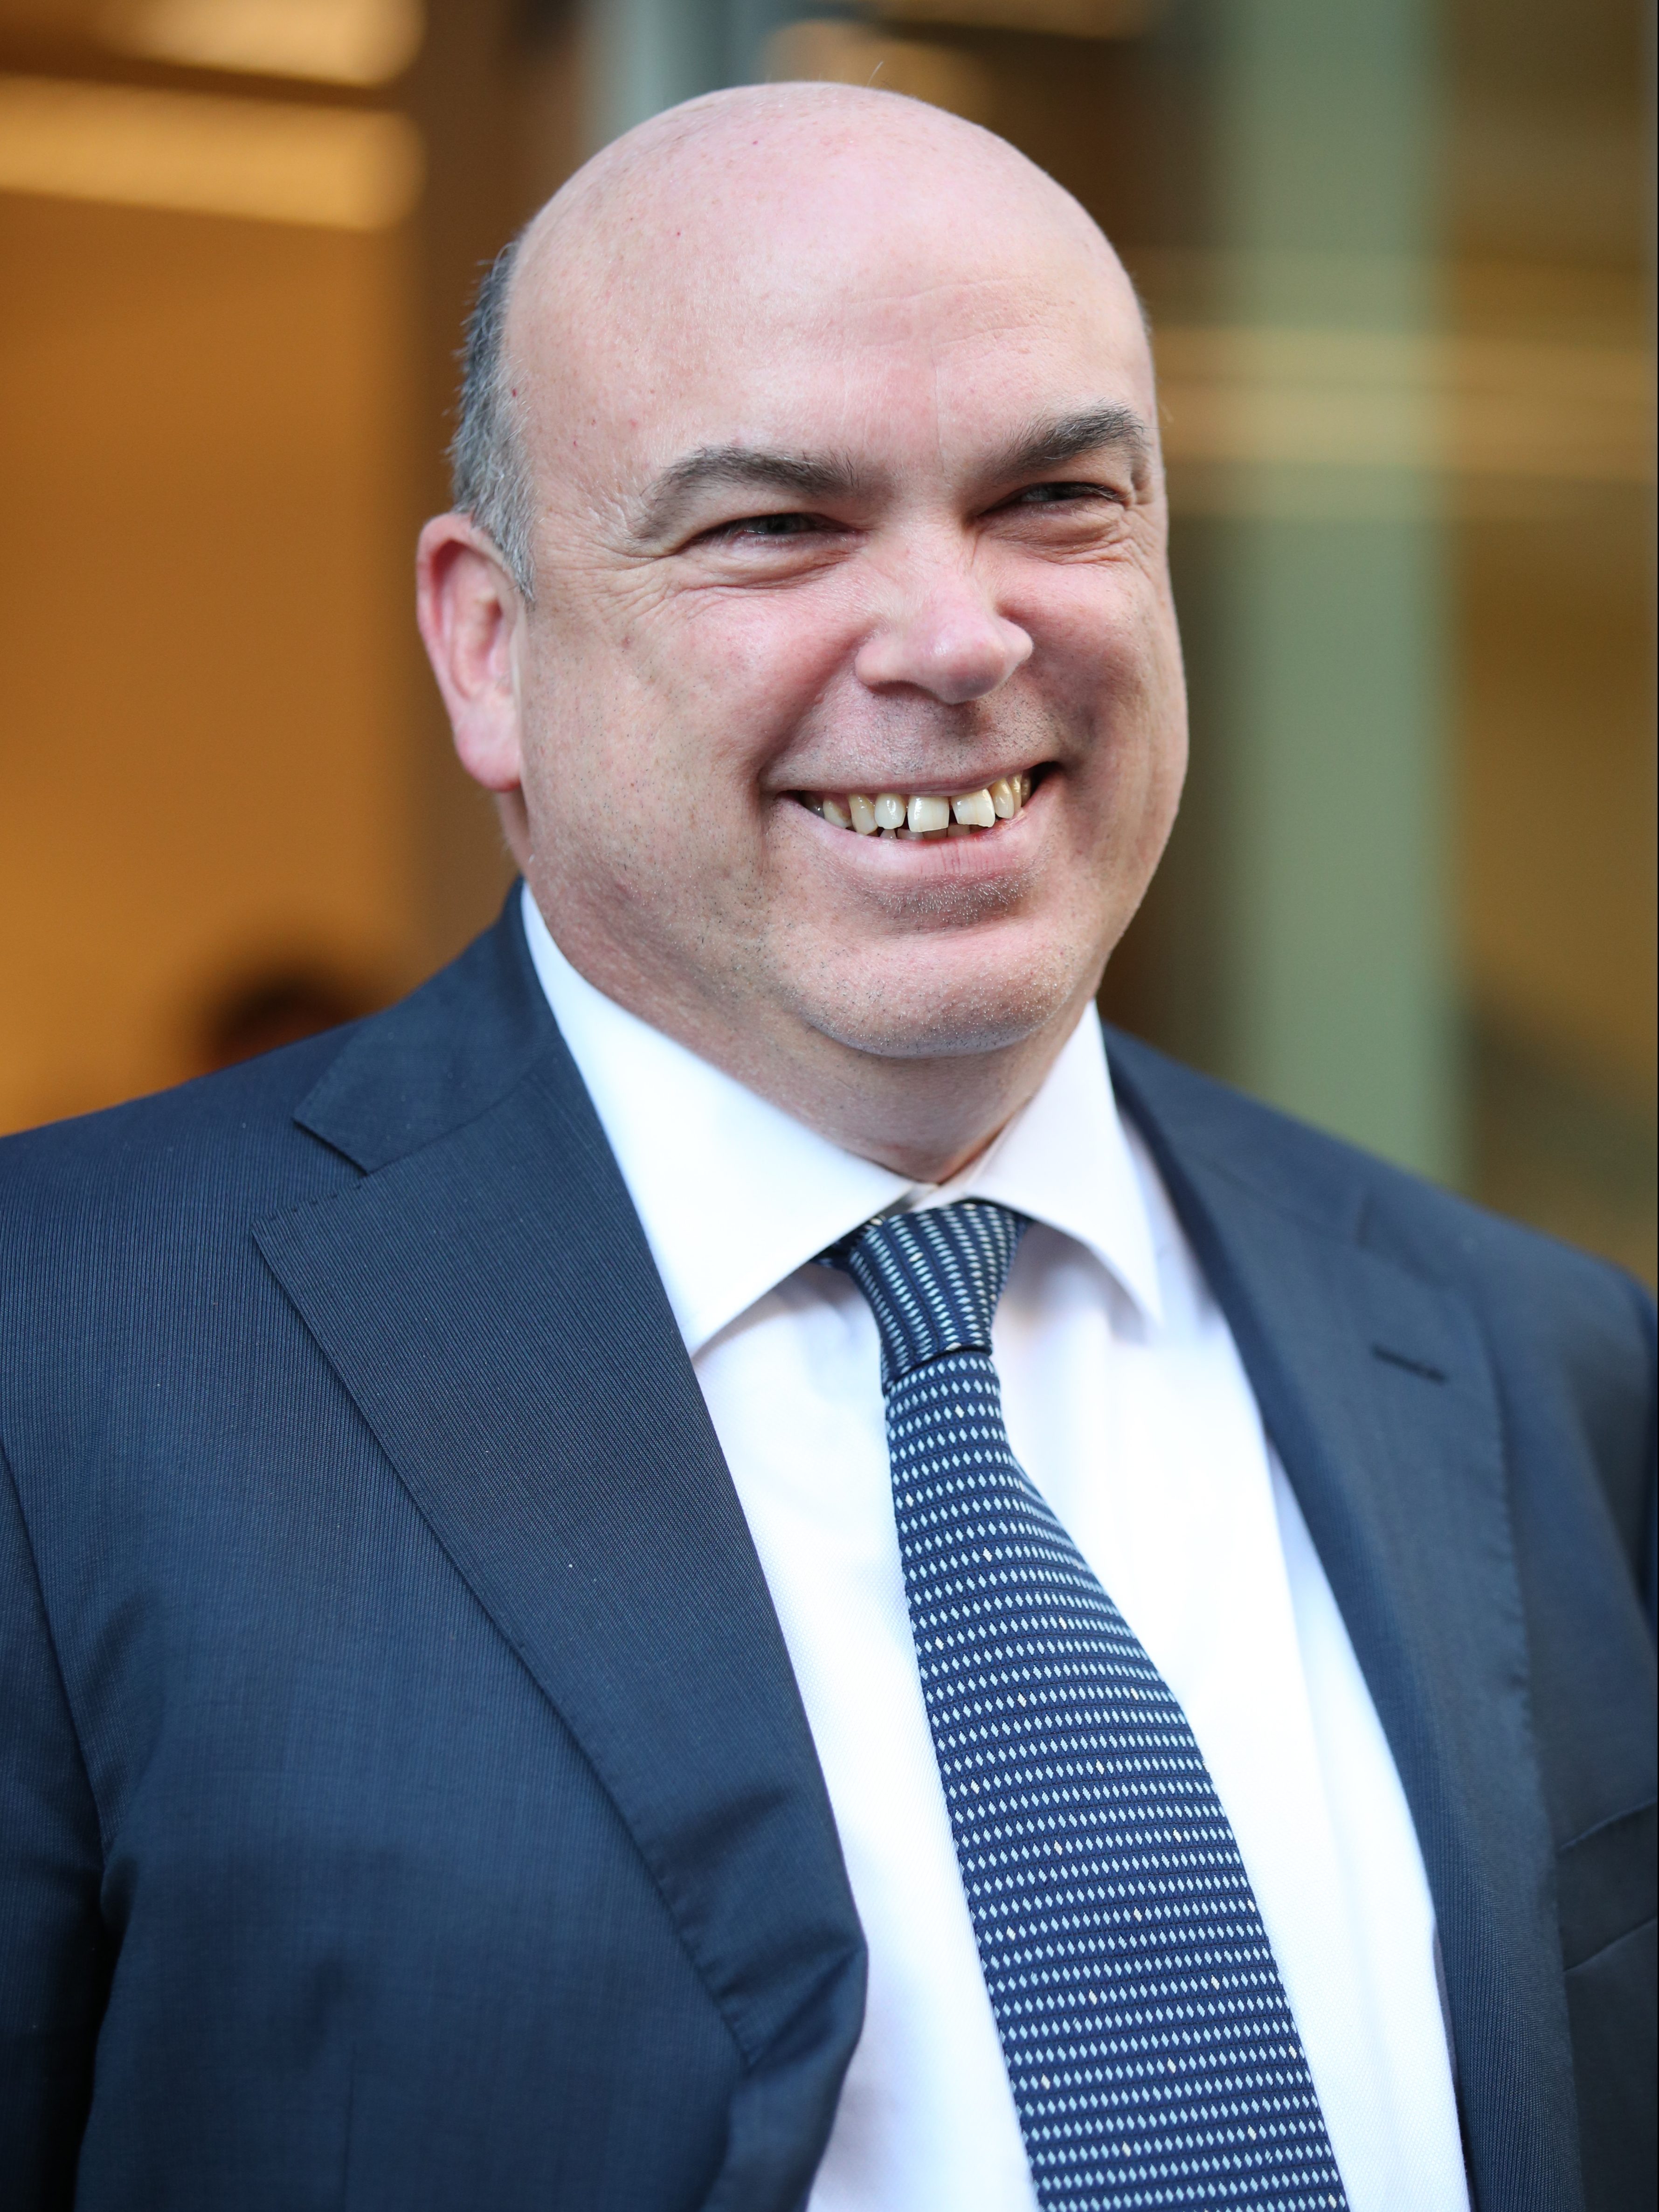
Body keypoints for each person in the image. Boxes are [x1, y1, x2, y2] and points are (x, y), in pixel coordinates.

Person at [0, 83, 1652, 2212]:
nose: (959, 640)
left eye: (1055, 497)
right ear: (489, 650)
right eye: (773, 526)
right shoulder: (61, 1369)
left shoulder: (1533, 1359)